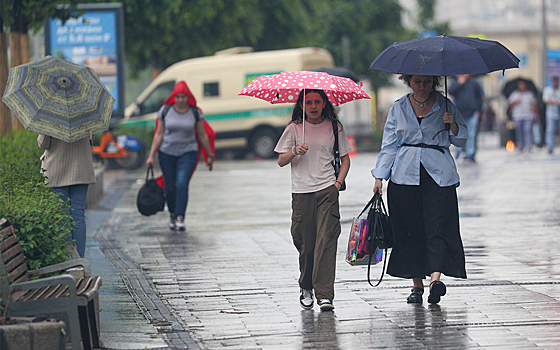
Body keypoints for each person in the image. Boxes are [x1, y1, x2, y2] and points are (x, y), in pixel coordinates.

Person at [372, 75, 468, 305]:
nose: (422, 85)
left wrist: (452, 123)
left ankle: (436, 279)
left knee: (439, 226)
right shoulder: (398, 108)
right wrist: (380, 176)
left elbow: (462, 138)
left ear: (433, 82)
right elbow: (389, 144)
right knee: (409, 230)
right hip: (404, 174)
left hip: (438, 175)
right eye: (417, 81)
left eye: (426, 81)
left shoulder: (445, 104)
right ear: (409, 82)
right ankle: (417, 285)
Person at [274, 89, 351, 312]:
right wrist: (294, 151)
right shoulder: (294, 129)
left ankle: (325, 294)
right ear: (302, 105)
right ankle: (306, 286)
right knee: (306, 245)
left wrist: (337, 184)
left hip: (327, 190)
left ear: (325, 104)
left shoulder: (334, 128)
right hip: (302, 193)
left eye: (318, 102)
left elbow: (345, 160)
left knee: (326, 241)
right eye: (309, 102)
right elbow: (281, 160)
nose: (314, 106)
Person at [146, 81, 214, 231]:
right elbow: (159, 133)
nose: (181, 100)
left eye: (183, 97)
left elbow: (202, 135)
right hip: (167, 153)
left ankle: (180, 216)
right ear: (173, 97)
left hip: (188, 153)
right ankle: (172, 214)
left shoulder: (195, 112)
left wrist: (209, 154)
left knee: (181, 183)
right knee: (170, 187)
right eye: (178, 97)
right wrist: (151, 156)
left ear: (188, 97)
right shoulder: (165, 110)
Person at [38, 135, 96, 258]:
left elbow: (44, 143)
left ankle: (69, 259)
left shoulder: (52, 116)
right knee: (78, 216)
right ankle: (80, 259)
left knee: (62, 217)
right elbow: (91, 136)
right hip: (81, 168)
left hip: (57, 169)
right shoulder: (85, 115)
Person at [449, 74, 485, 162]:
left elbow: (480, 97)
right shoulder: (455, 82)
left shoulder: (473, 83)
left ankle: (470, 153)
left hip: (472, 112)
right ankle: (458, 151)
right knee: (458, 133)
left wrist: (478, 110)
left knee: (471, 134)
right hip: (459, 112)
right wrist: (459, 83)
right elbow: (451, 92)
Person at [507, 80, 538, 151]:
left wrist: (535, 114)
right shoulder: (514, 94)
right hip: (517, 116)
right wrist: (515, 102)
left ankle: (528, 145)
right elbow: (509, 103)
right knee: (519, 130)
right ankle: (521, 144)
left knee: (527, 130)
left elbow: (534, 104)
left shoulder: (529, 94)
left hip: (528, 115)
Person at [543, 77, 560, 154]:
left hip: (558, 113)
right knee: (550, 130)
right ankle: (550, 146)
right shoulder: (548, 90)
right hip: (551, 113)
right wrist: (556, 102)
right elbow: (546, 100)